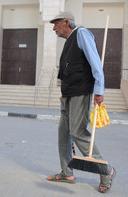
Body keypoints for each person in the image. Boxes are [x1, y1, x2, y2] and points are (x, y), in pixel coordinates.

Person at [46, 11, 116, 193]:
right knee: (63, 134)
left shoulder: (81, 34)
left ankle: (106, 171)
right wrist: (65, 94)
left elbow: (95, 63)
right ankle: (66, 173)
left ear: (66, 22)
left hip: (80, 93)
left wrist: (99, 90)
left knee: (78, 133)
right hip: (68, 95)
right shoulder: (69, 42)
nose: (54, 28)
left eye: (56, 24)